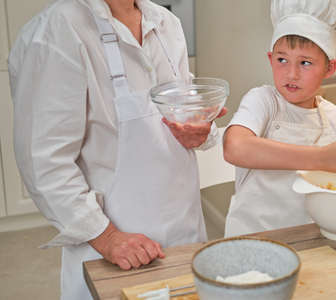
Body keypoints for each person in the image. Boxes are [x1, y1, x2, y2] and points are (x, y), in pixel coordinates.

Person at [8, 0, 226, 299]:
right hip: (110, 249)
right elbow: (43, 160)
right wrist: (107, 237)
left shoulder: (165, 23)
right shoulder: (58, 30)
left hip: (184, 233)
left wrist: (198, 131)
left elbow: (184, 108)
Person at [223, 0, 336, 237]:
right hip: (252, 240)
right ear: (270, 59)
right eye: (282, 60)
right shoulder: (263, 102)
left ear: (329, 68)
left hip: (314, 241)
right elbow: (234, 148)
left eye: (305, 63)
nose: (291, 73)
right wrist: (320, 158)